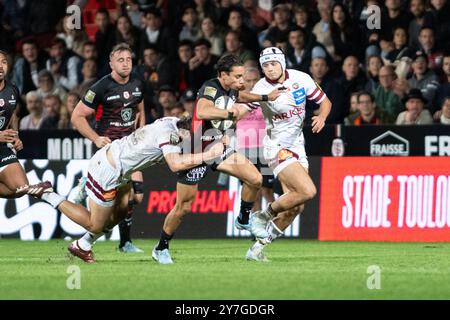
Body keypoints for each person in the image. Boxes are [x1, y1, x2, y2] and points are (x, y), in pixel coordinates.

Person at [23, 116, 226, 263]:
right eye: (188, 138)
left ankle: (82, 246)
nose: (189, 143)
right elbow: (175, 165)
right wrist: (208, 155)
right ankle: (48, 194)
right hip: (109, 171)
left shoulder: (173, 121)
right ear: (182, 132)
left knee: (121, 212)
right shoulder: (171, 135)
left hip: (121, 167)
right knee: (95, 224)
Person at [151, 54, 283, 264]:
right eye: (238, 77)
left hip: (217, 146)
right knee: (183, 207)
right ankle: (161, 247)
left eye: (243, 77)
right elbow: (202, 111)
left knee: (255, 179)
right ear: (223, 75)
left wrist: (266, 97)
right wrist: (229, 114)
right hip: (196, 148)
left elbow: (243, 97)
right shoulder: (210, 87)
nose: (241, 81)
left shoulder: (232, 89)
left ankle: (243, 219)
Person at [238, 47, 332, 261]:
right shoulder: (262, 88)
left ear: (282, 63)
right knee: (308, 190)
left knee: (296, 206)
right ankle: (262, 216)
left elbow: (325, 102)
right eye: (265, 66)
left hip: (298, 145)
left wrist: (322, 117)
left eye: (273, 64)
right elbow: (242, 102)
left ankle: (257, 249)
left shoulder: (302, 79)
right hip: (276, 147)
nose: (269, 69)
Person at [71, 43, 146, 253]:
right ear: (111, 63)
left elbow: (140, 109)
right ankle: (89, 184)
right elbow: (76, 116)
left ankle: (124, 242)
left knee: (135, 198)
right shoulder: (101, 87)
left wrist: (140, 132)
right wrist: (95, 138)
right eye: (120, 60)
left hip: (130, 148)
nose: (125, 64)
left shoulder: (138, 84)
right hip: (110, 151)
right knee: (119, 201)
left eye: (129, 59)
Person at [0, 50, 31, 199]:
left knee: (22, 189)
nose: (0, 66)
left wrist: (15, 136)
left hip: (2, 148)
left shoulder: (12, 89)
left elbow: (13, 115)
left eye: (4, 62)